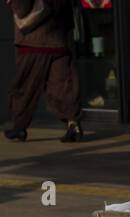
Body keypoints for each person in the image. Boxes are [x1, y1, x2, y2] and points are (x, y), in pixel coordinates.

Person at [5, 0, 81, 143]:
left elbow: (22, 10)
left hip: (33, 43)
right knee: (63, 86)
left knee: (25, 87)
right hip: (59, 43)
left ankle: (19, 127)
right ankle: (73, 124)